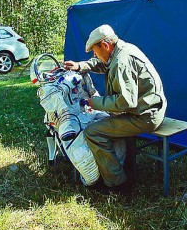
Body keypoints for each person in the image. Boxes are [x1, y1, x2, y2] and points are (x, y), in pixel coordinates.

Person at [64, 24, 167, 194]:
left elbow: (125, 102)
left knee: (93, 132)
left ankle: (117, 184)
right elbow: (104, 63)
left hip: (145, 116)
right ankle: (127, 170)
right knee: (107, 121)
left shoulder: (121, 62)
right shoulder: (122, 49)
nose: (94, 55)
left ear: (105, 45)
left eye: (95, 51)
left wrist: (94, 102)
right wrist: (80, 66)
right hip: (149, 109)